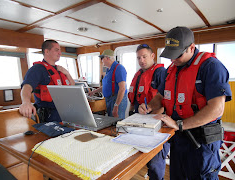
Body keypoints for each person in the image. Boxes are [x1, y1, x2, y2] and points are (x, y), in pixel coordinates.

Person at [139, 26, 232, 179]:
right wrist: (149, 106)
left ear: (191, 48)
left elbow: (217, 109)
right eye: (170, 55)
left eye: (177, 55)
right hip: (178, 141)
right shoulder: (171, 69)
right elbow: (161, 97)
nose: (173, 59)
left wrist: (180, 124)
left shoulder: (211, 67)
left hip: (202, 144)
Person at [128, 44, 169, 180]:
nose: (141, 60)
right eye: (139, 58)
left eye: (144, 57)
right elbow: (134, 99)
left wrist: (158, 120)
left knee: (156, 160)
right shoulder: (139, 74)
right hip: (140, 120)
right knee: (142, 155)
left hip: (156, 123)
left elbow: (164, 98)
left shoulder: (160, 72)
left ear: (152, 56)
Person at [19, 40, 75, 122]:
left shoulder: (60, 70)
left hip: (65, 113)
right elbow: (27, 86)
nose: (60, 53)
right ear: (47, 51)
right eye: (57, 50)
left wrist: (67, 73)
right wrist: (26, 102)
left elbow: (73, 87)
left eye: (60, 50)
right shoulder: (38, 69)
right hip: (49, 116)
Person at [88, 49, 127, 119]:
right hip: (109, 99)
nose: (101, 61)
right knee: (111, 122)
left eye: (102, 59)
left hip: (116, 99)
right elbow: (106, 86)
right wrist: (93, 92)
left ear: (107, 58)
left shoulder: (119, 68)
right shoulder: (108, 70)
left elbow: (122, 88)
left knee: (117, 122)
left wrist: (116, 105)